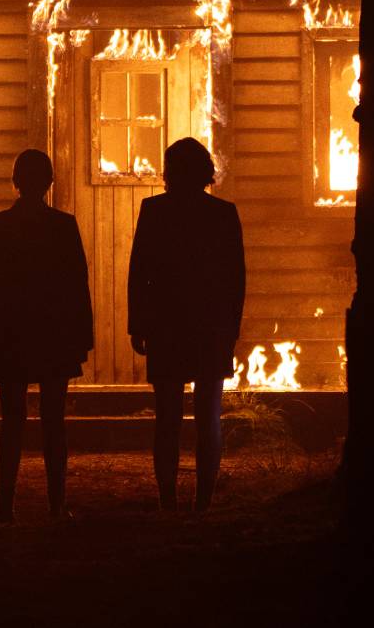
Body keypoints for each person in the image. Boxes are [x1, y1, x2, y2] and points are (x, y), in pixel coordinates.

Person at [0, 148, 92, 522]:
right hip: (54, 337)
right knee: (54, 422)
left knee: (12, 421)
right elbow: (77, 285)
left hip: (10, 338)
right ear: (49, 182)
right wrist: (82, 338)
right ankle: (56, 504)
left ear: (15, 182)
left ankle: (4, 504)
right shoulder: (63, 226)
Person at [126, 137, 245, 513]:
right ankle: (203, 500)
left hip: (166, 325)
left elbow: (138, 272)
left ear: (170, 172)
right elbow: (235, 279)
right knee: (209, 414)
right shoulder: (224, 214)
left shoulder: (154, 211)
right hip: (211, 326)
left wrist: (138, 323)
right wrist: (232, 328)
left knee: (168, 418)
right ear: (206, 171)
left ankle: (167, 497)